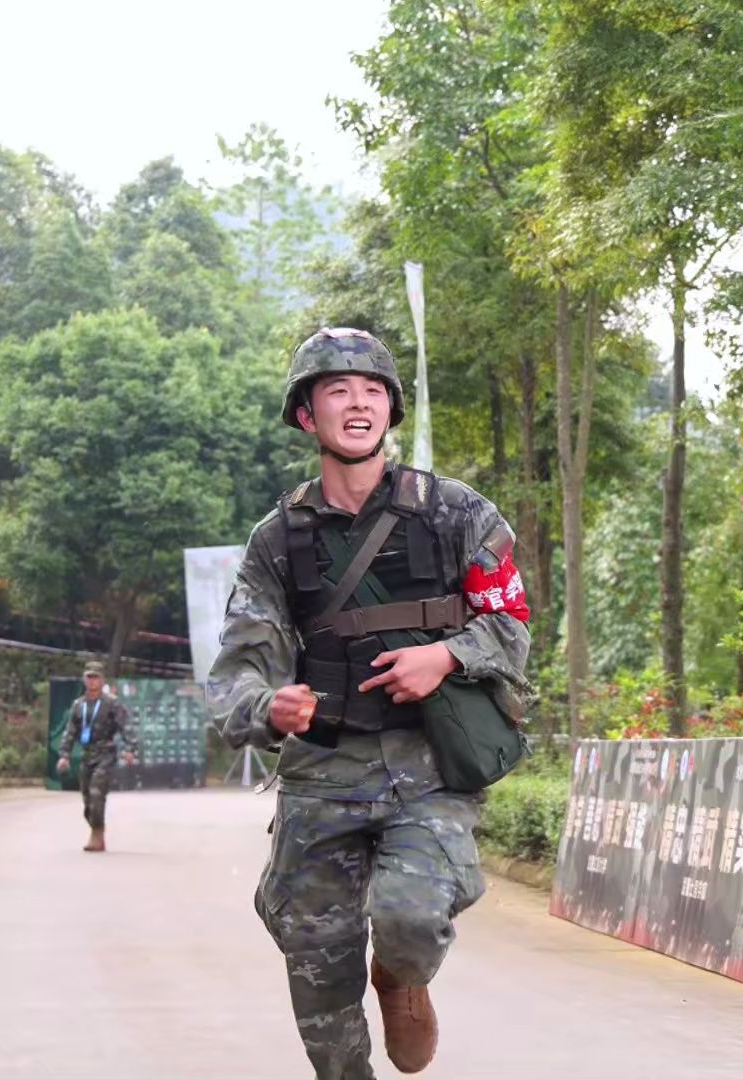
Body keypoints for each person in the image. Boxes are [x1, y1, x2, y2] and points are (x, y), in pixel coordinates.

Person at [209, 328, 531, 1078]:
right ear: (305, 416)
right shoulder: (276, 542)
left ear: (390, 410)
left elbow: (511, 627)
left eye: (372, 391)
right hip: (321, 773)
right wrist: (269, 707)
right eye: (337, 391)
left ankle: (401, 976)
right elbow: (237, 672)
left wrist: (446, 654)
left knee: (410, 919)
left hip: (427, 769)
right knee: (318, 977)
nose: (358, 403)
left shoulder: (457, 515)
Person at [55, 661, 136, 852]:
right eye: (89, 677)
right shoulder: (78, 705)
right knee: (87, 802)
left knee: (97, 793)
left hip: (106, 754)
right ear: (85, 679)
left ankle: (97, 835)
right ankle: (96, 830)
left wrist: (130, 749)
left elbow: (126, 726)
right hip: (86, 754)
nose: (92, 681)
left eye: (96, 677)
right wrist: (64, 755)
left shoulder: (111, 703)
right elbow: (70, 732)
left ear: (102, 680)